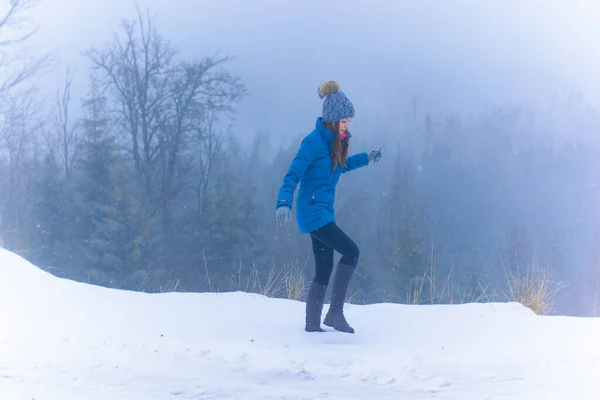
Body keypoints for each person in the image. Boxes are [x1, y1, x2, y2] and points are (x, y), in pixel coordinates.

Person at [275, 79, 382, 334]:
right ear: (333, 120)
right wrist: (283, 202)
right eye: (344, 121)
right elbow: (292, 174)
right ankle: (334, 313)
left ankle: (312, 324)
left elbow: (341, 166)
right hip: (313, 212)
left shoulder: (335, 143)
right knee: (351, 251)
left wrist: (366, 158)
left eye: (349, 121)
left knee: (324, 268)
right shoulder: (313, 142)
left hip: (321, 211)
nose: (347, 125)